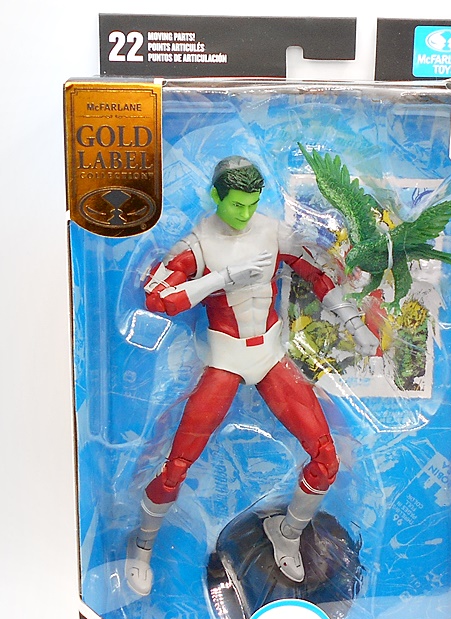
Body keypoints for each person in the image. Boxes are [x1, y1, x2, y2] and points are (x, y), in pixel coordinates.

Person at [125, 156, 378, 595]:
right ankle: (142, 544)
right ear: (216, 196)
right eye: (236, 204)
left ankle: (289, 532)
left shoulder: (271, 231)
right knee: (176, 466)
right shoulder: (198, 244)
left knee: (326, 458)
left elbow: (317, 273)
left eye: (252, 203)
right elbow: (157, 297)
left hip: (270, 356)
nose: (244, 213)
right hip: (224, 360)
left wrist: (355, 325)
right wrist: (220, 278)